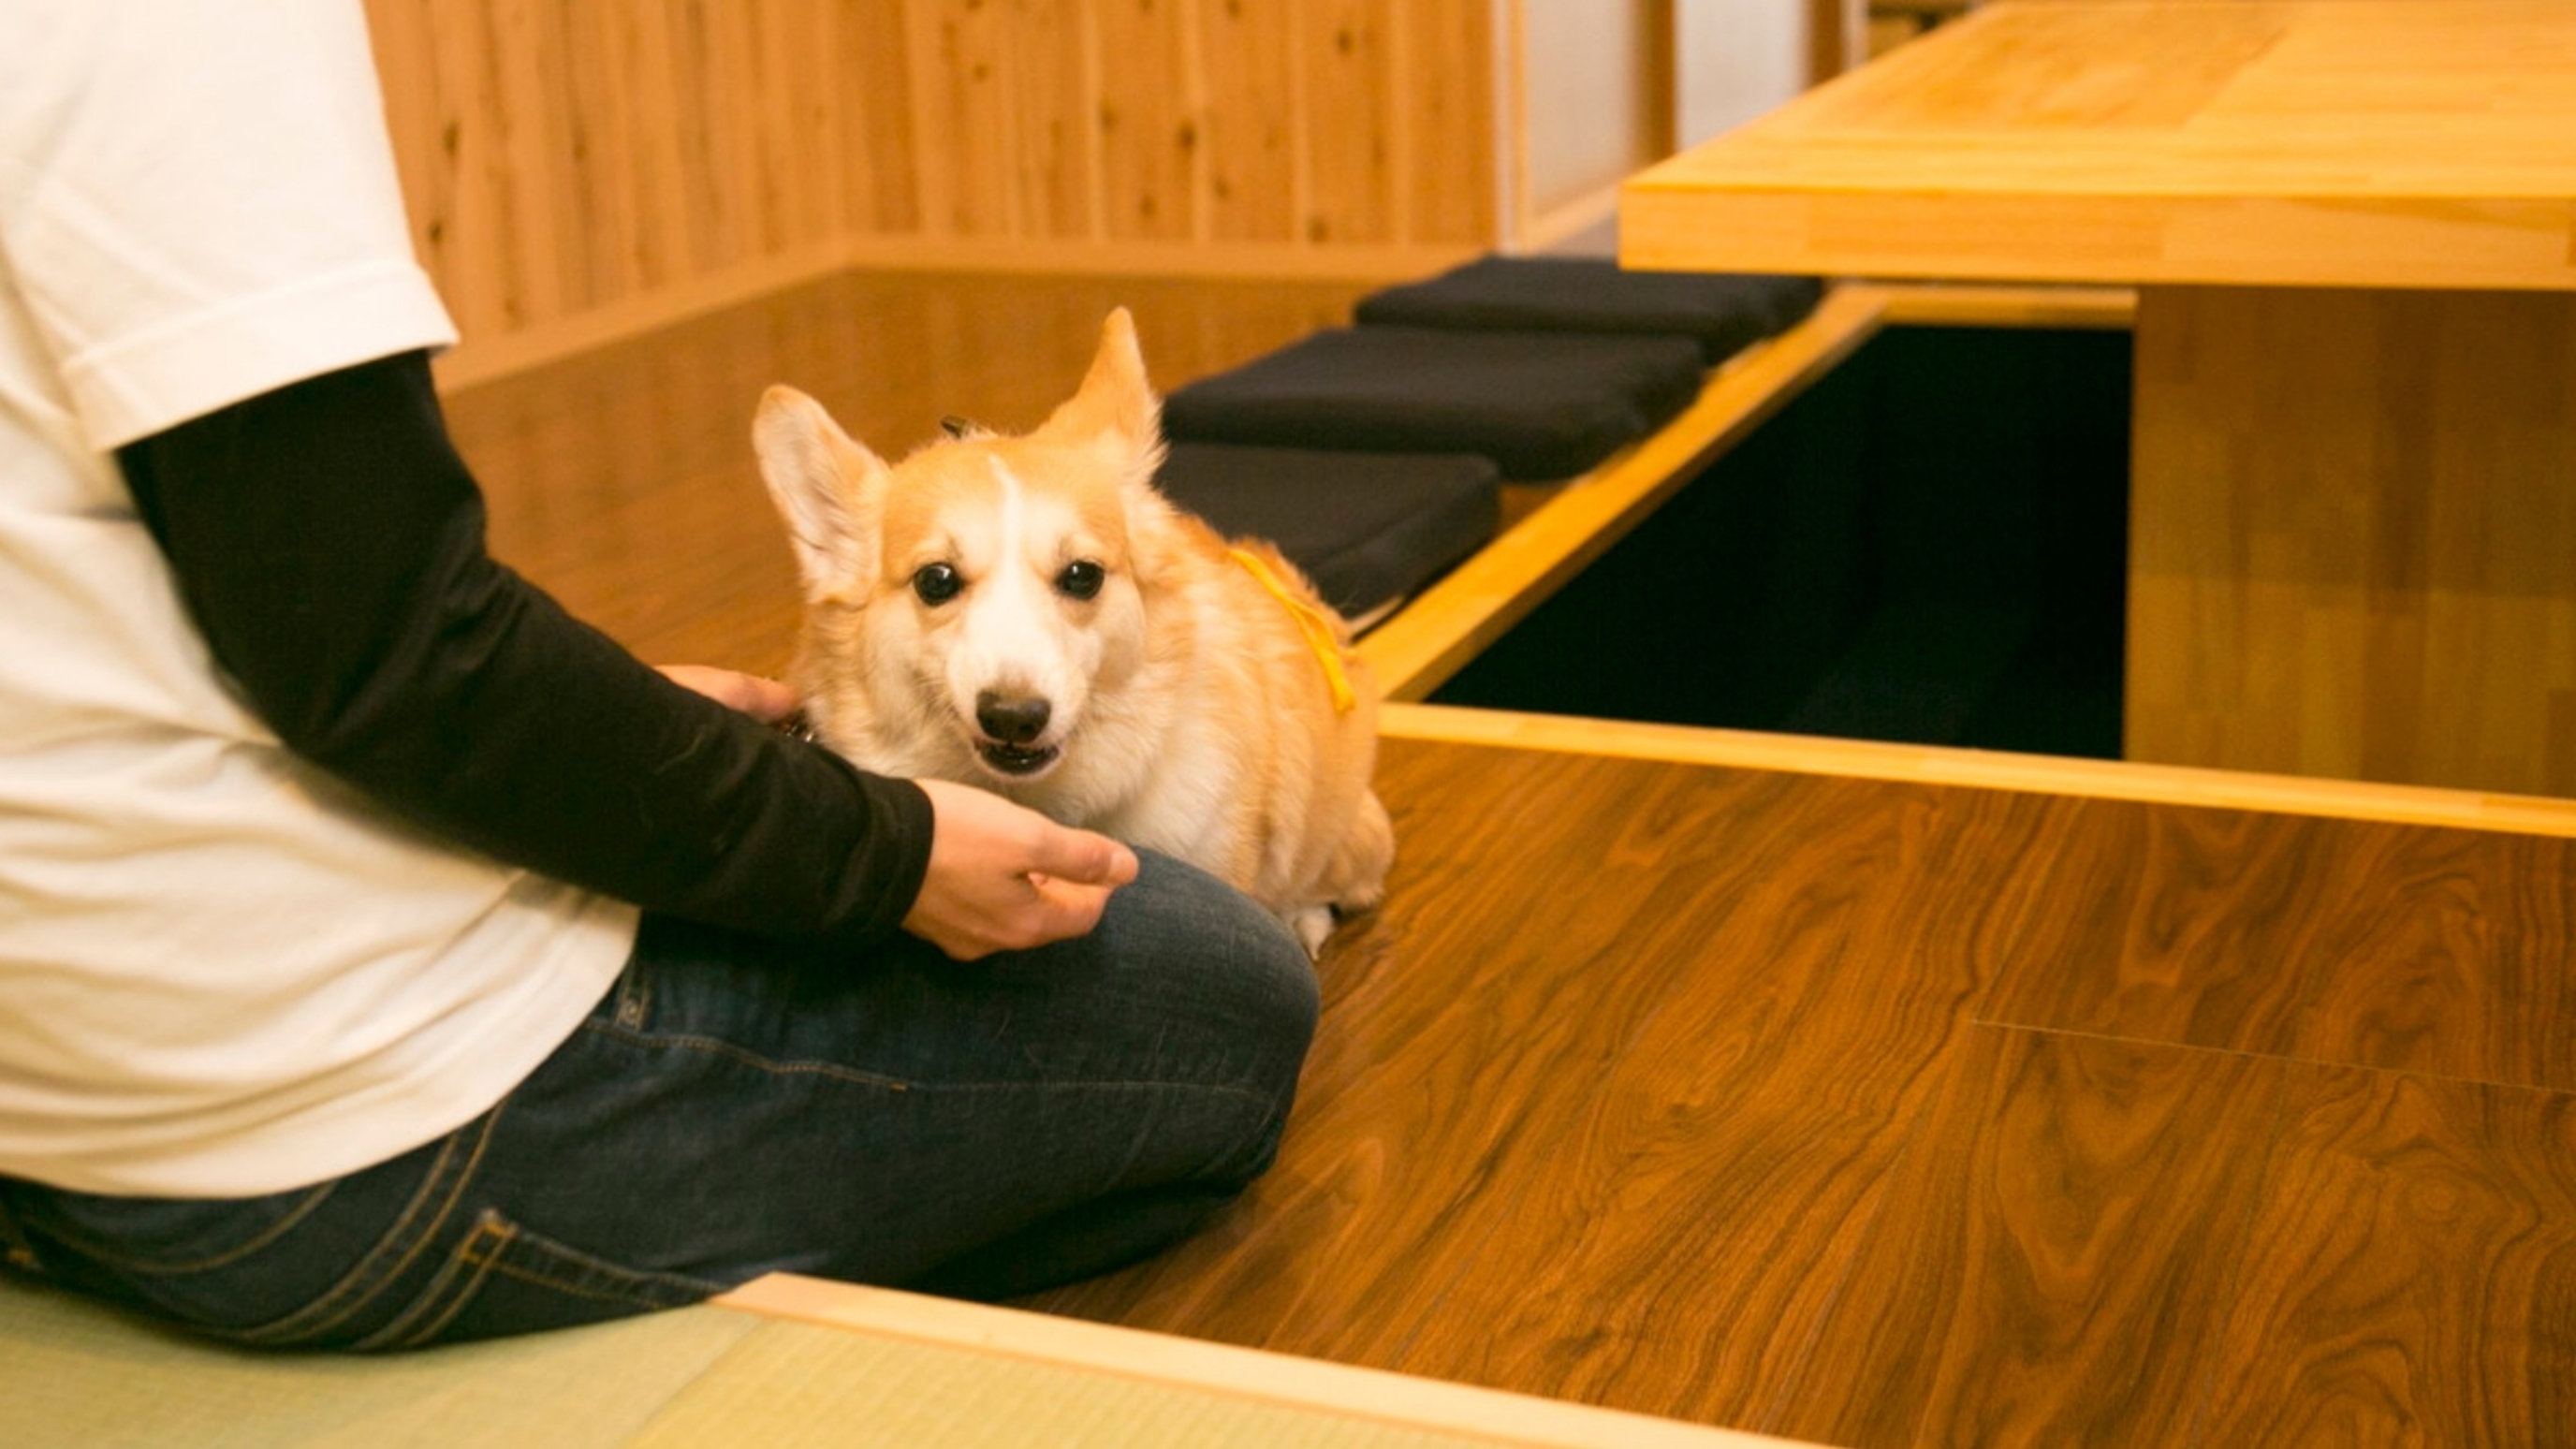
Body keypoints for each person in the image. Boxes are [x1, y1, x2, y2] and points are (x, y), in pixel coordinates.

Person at [0, 2, 1317, 1351]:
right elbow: (391, 660)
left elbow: (287, 603)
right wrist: (882, 850)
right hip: (299, 1138)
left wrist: (595, 716)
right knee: (1228, 992)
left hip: (42, 1077)